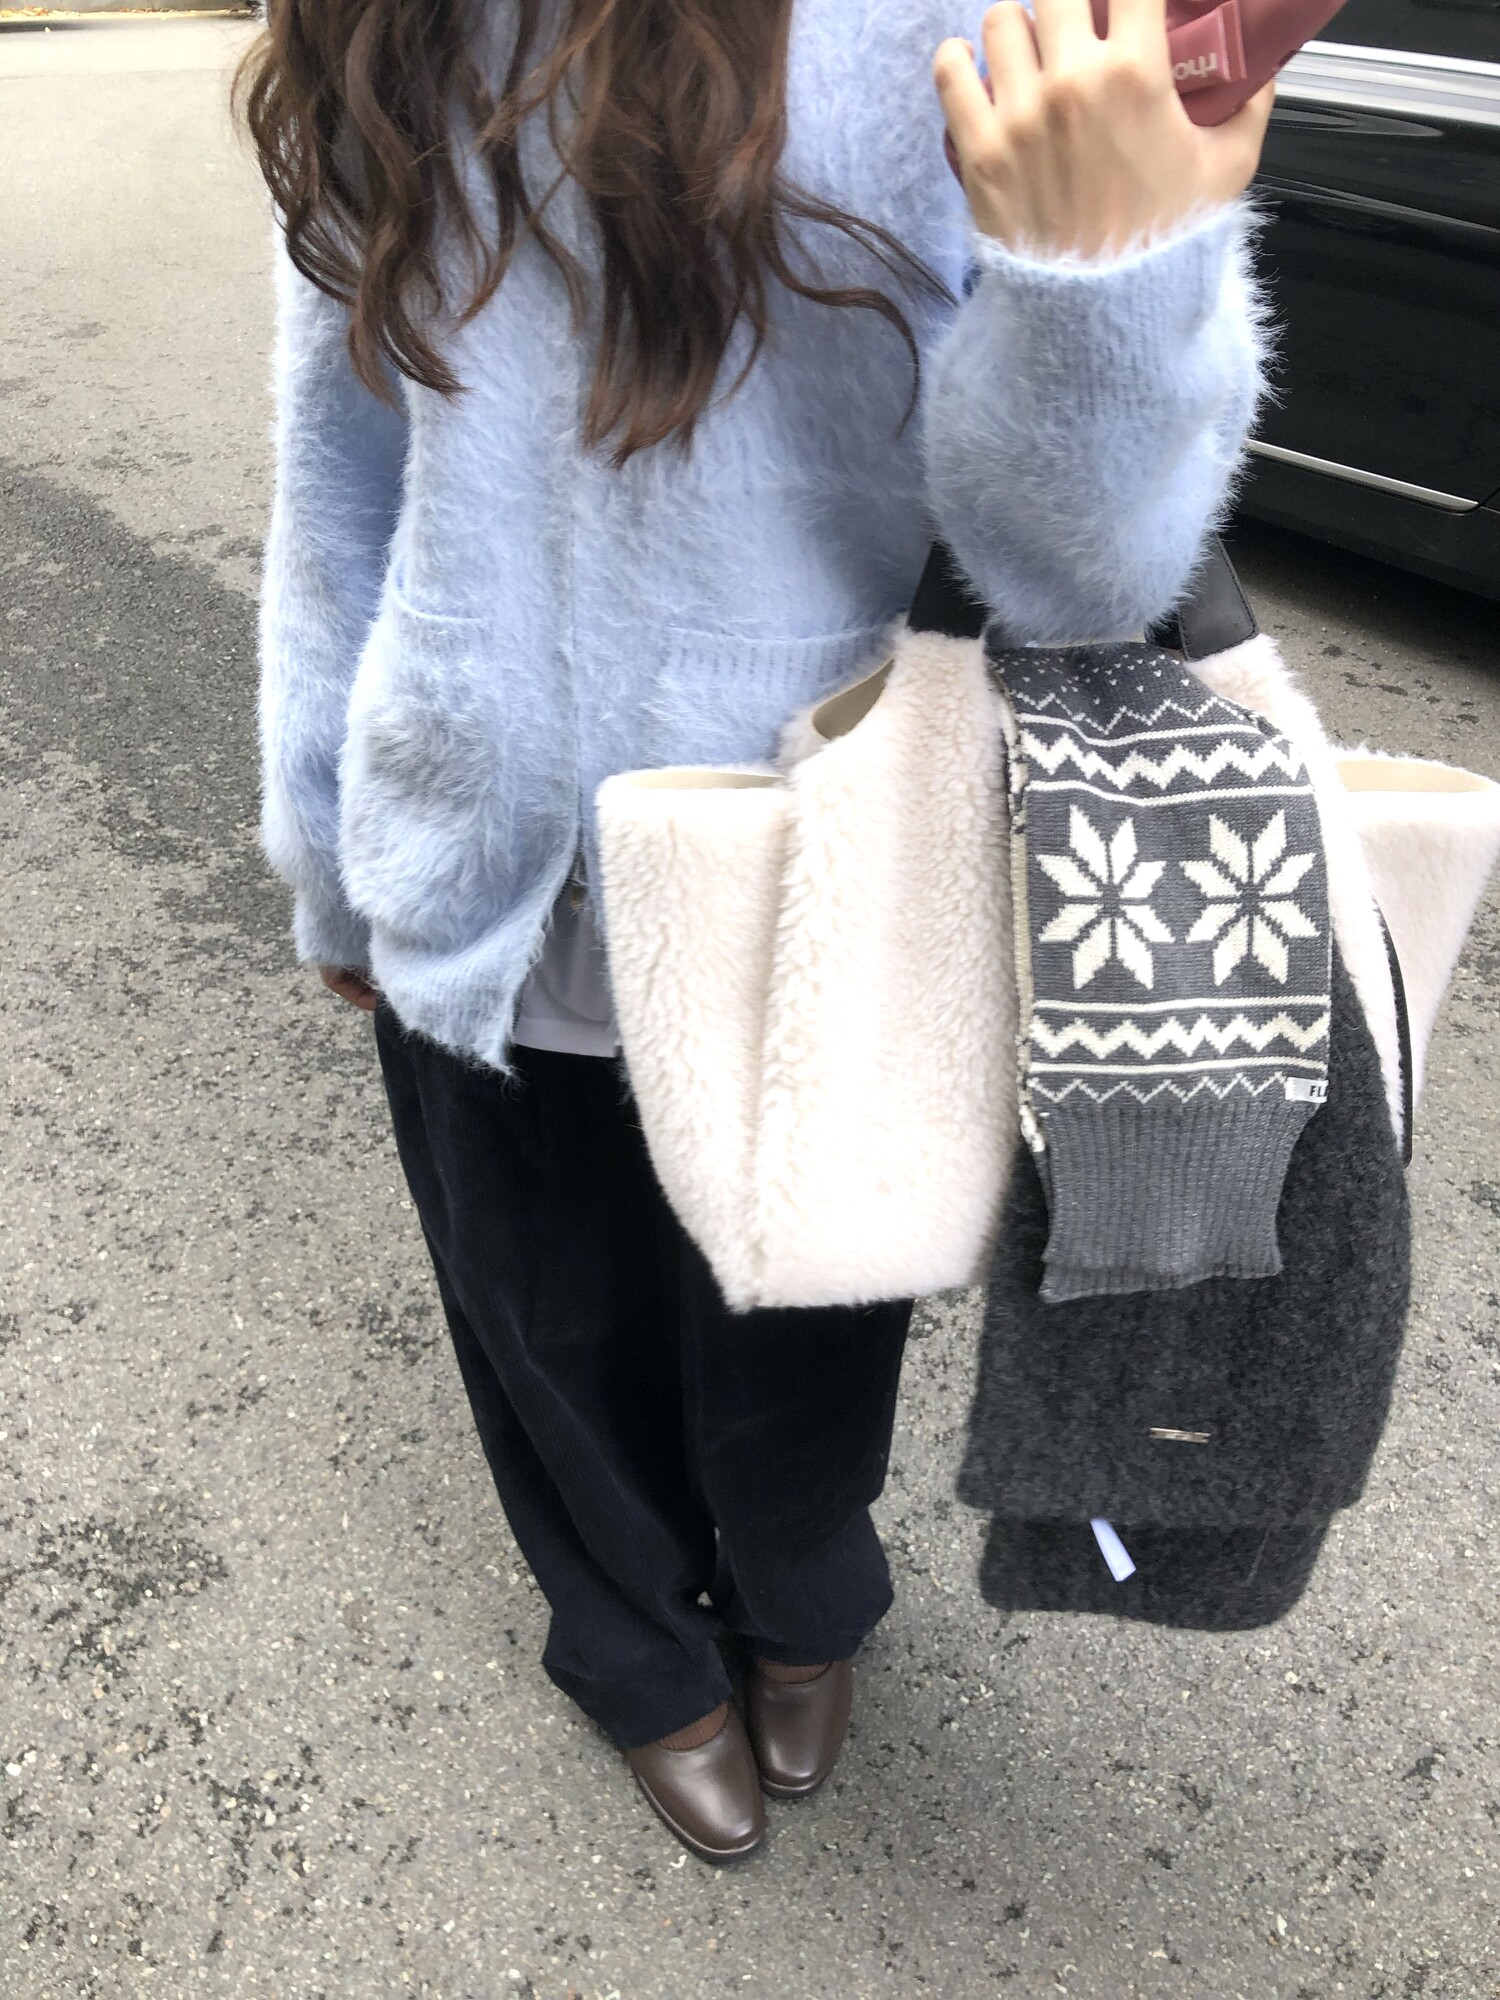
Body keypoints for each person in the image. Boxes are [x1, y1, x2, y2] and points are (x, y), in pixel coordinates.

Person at [240, 0, 1273, 1863]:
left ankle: (803, 1600)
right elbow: (340, 465)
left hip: (810, 856)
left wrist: (1105, 271)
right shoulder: (384, 18)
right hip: (473, 839)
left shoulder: (953, 17)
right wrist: (324, 835)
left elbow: (1084, 580)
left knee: (802, 1336)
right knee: (540, 1329)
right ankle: (640, 1654)